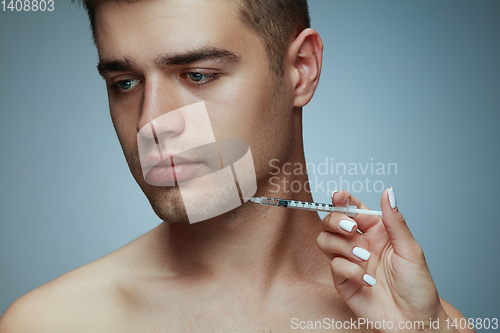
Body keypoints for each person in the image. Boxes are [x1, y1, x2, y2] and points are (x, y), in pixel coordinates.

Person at [0, 0, 473, 332]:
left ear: (301, 70)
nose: (151, 123)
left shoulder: (424, 323)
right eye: (124, 83)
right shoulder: (52, 324)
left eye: (198, 75)